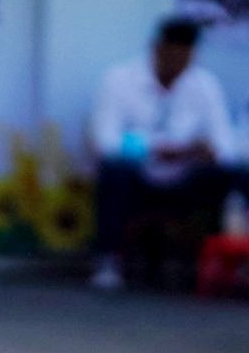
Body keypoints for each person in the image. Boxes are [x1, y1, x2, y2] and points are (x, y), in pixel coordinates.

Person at [88, 16, 245, 289]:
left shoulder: (205, 85)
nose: (178, 63)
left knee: (235, 174)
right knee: (114, 171)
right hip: (137, 176)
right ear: (157, 48)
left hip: (186, 177)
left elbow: (226, 146)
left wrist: (205, 152)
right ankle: (108, 260)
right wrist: (157, 149)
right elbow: (105, 141)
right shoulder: (119, 79)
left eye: (185, 56)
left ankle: (230, 264)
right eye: (172, 53)